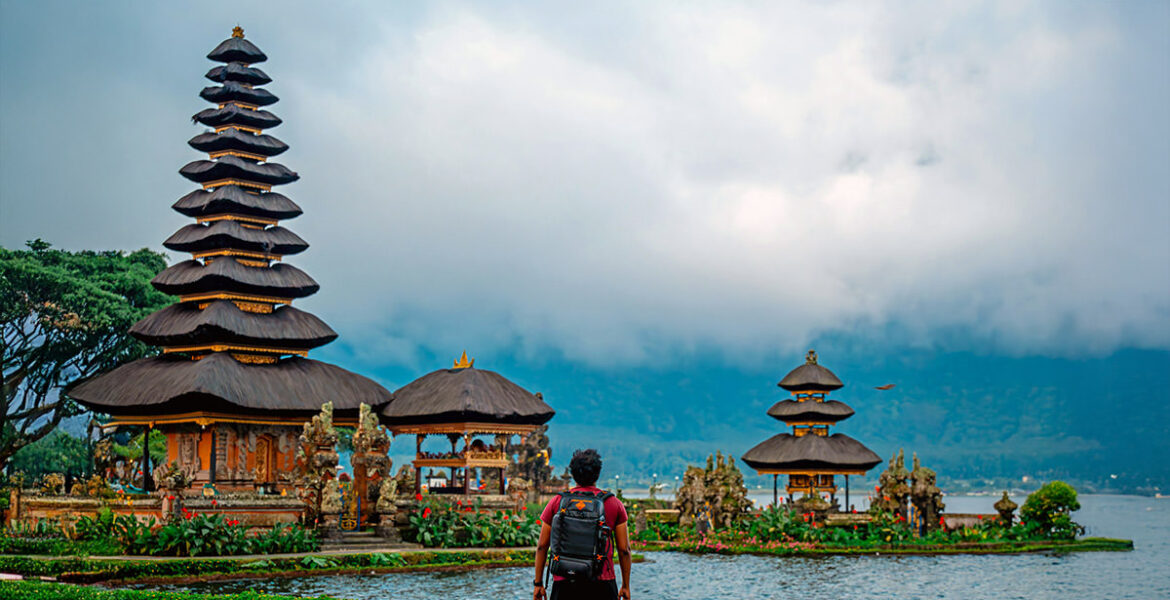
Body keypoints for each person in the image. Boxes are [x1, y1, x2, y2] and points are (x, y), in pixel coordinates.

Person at [533, 449, 631, 600]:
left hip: (564, 581)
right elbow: (624, 550)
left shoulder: (558, 502)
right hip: (602, 583)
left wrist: (538, 583)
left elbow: (542, 546)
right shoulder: (612, 503)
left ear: (573, 474)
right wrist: (625, 585)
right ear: (598, 473)